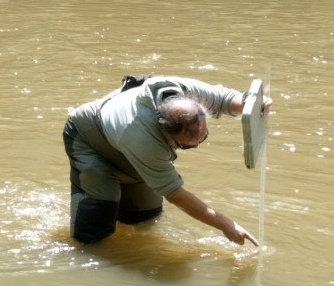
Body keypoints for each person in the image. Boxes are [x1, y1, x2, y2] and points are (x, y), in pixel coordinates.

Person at [63, 75, 268, 245]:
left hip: (125, 142)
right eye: (187, 145)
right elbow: (174, 194)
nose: (197, 146)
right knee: (95, 234)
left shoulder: (187, 93)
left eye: (203, 136)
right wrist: (226, 225)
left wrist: (252, 106)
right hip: (89, 140)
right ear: (164, 132)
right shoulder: (144, 141)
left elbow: (226, 99)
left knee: (144, 218)